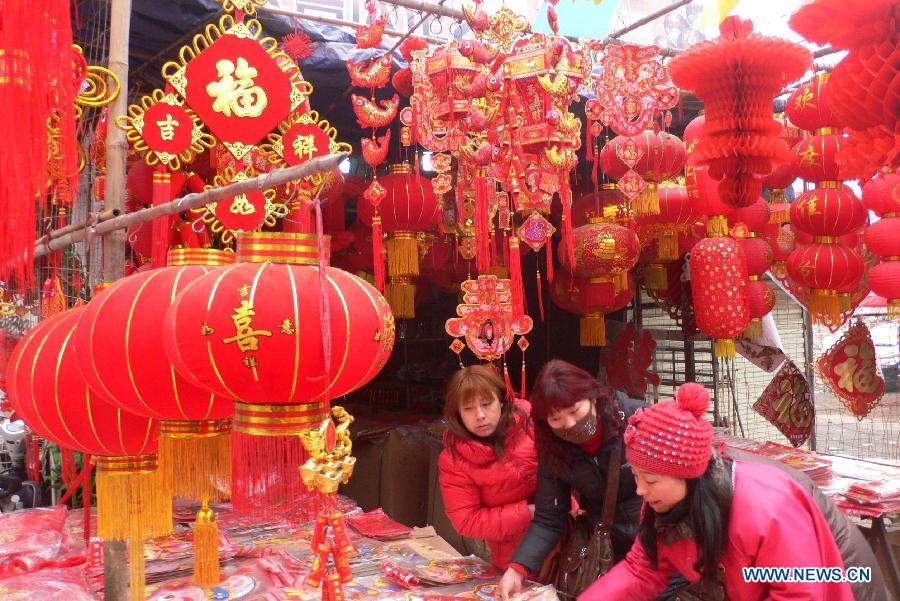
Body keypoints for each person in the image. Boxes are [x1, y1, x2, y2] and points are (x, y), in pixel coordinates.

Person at [579, 382, 890, 601]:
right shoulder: (663, 505)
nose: (640, 490)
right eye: (635, 476)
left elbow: (799, 593)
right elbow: (642, 571)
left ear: (689, 474)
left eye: (651, 478)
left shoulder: (764, 508)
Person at [497, 359, 652, 600]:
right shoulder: (552, 447)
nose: (569, 424)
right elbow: (549, 517)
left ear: (592, 396)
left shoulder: (637, 418)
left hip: (654, 539)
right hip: (603, 550)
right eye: (556, 418)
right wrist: (517, 569)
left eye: (574, 410)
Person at [438, 365, 537, 570]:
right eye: (468, 408)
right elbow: (466, 520)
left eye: (486, 403)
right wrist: (529, 512)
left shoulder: (529, 421)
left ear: (501, 401)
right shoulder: (454, 459)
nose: (480, 415)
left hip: (568, 536)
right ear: (458, 414)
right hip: (515, 554)